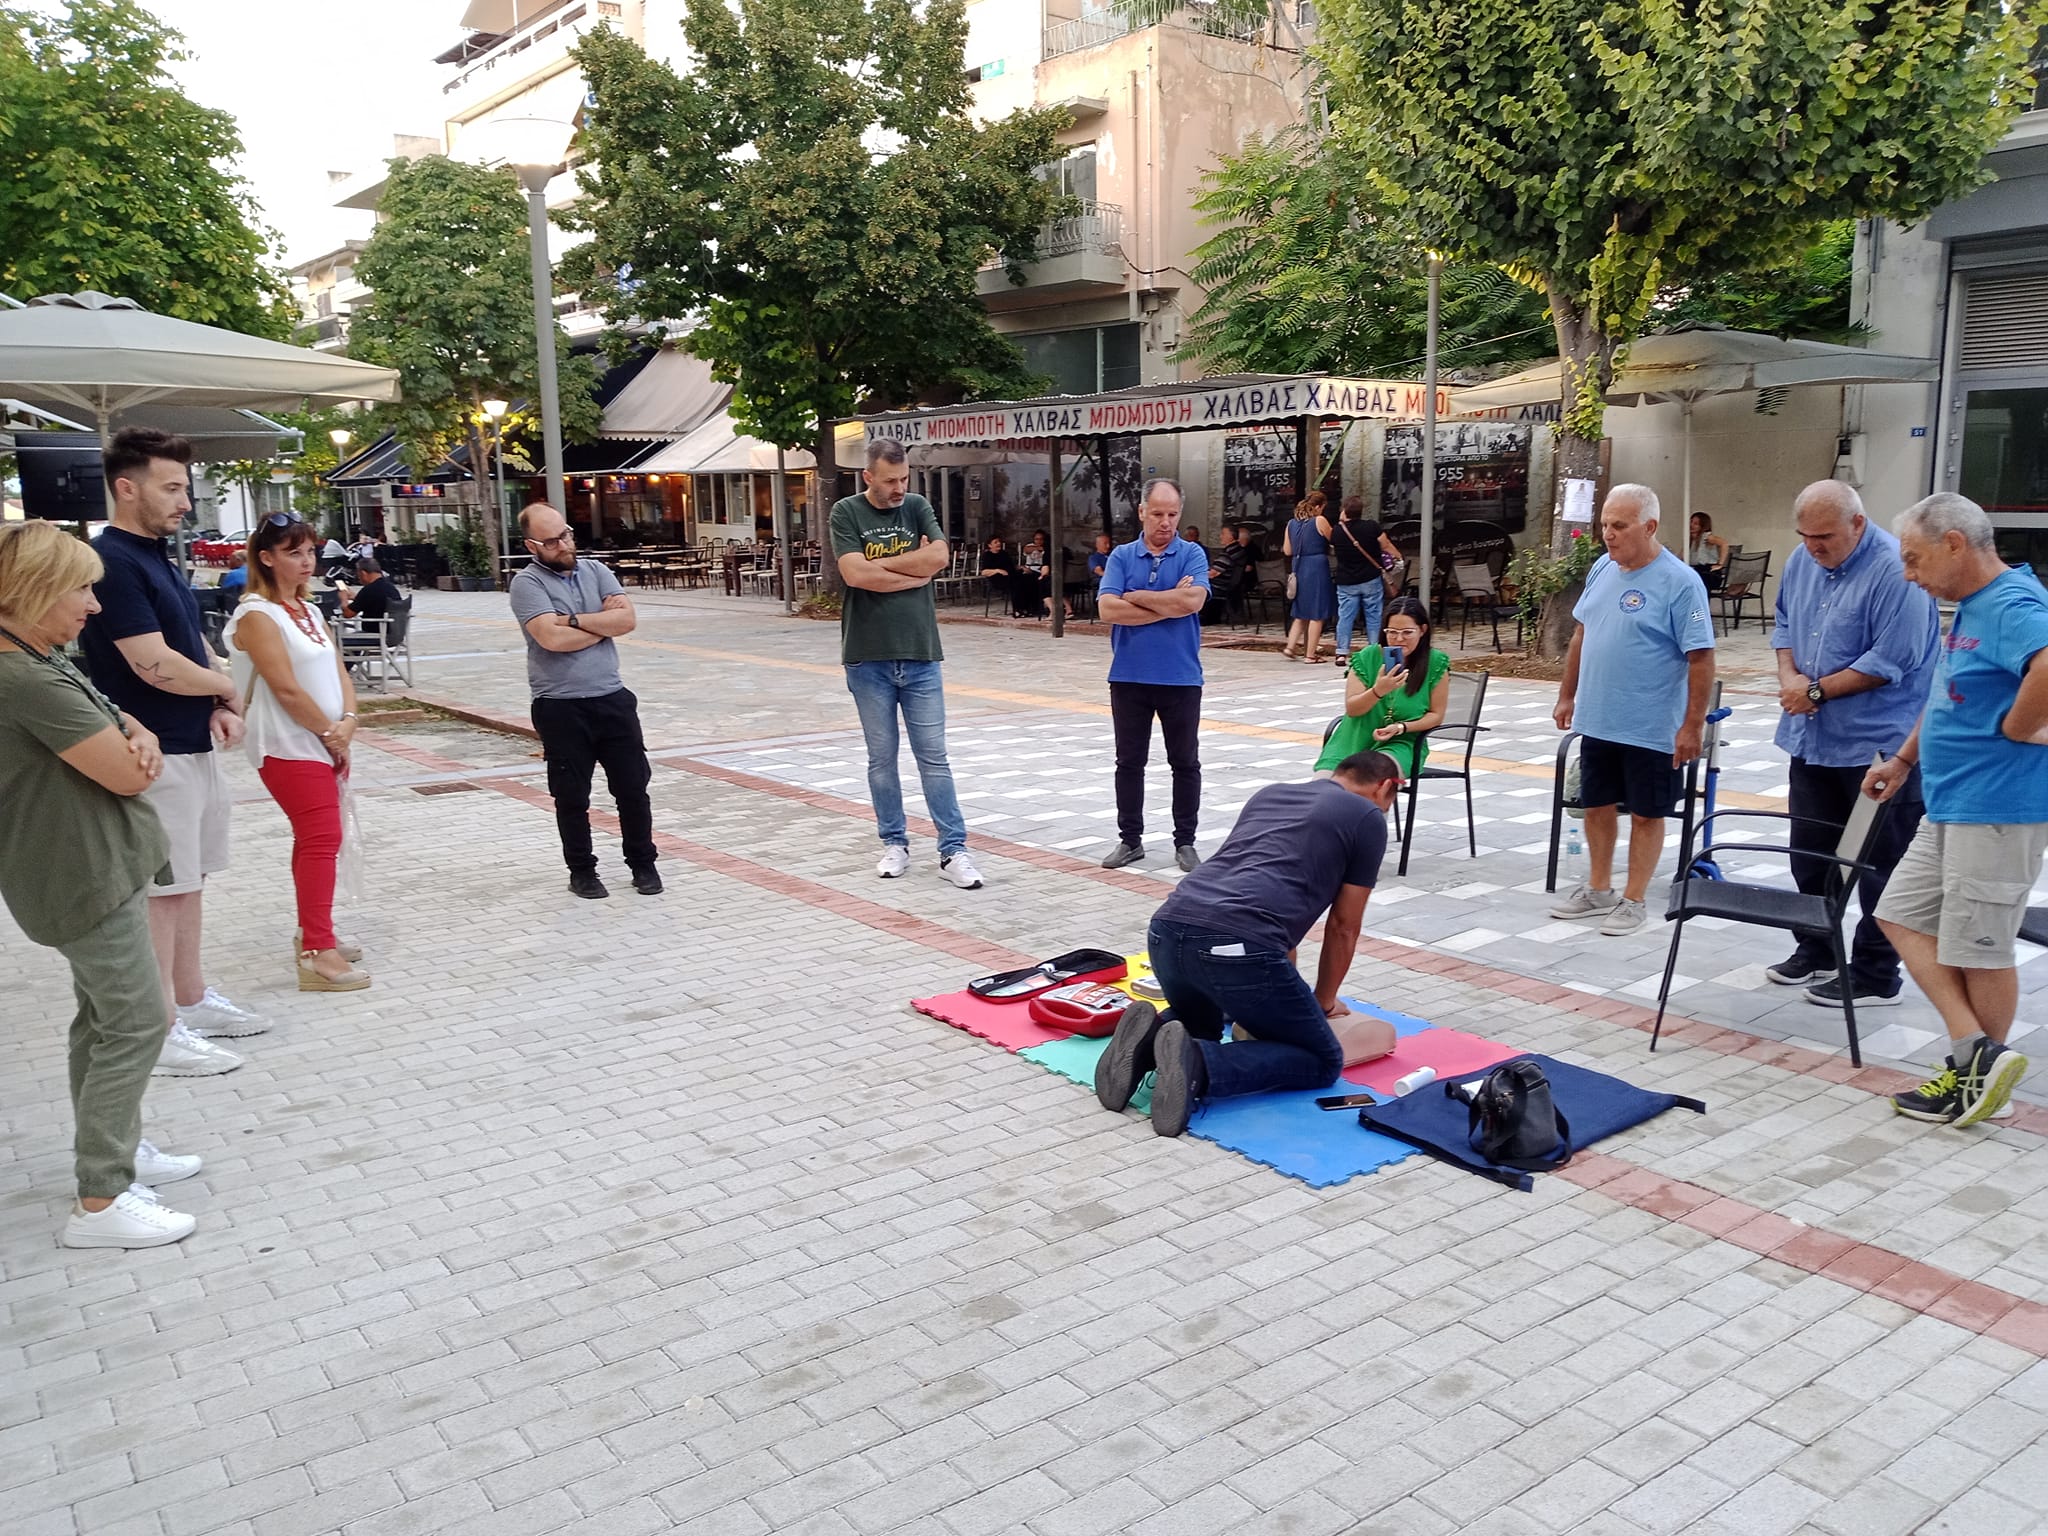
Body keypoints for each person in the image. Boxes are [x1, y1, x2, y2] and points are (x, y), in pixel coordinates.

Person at [0, 522, 204, 1248]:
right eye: (81, 589)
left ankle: (114, 1146)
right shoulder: (23, 676)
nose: (93, 604)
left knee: (100, 1019)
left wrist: (136, 732)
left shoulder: (38, 655)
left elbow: (121, 718)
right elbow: (125, 771)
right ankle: (102, 1195)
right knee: (136, 1022)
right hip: (81, 874)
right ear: (35, 590)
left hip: (94, 866)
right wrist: (136, 745)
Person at [1095, 751, 1405, 1136]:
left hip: (1167, 928)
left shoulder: (1271, 794)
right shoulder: (1367, 817)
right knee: (1321, 1059)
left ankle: (1148, 1041)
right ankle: (1199, 1064)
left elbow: (1259, 883)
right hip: (1237, 946)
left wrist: (1288, 1002)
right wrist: (1323, 1001)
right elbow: (1343, 926)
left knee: (1201, 1024)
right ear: (1385, 787)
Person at [81, 428, 261, 1077]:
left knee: (190, 879)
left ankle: (190, 996)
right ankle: (157, 1028)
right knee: (162, 890)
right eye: (173, 487)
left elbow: (189, 643)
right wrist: (230, 688)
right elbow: (151, 662)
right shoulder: (111, 561)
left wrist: (216, 701)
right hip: (151, 753)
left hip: (191, 744)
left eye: (186, 487)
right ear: (127, 488)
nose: (186, 501)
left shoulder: (158, 554)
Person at [1867, 493, 2048, 1128]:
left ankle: (1978, 1084)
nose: (1908, 574)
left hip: (1997, 807)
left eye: (1914, 559)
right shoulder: (1972, 605)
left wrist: (2021, 727)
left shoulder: (2012, 603)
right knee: (1898, 914)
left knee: (1980, 948)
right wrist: (1904, 760)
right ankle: (1979, 1054)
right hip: (1952, 802)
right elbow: (1949, 694)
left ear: (1953, 544)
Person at [1768, 481, 1939, 1007]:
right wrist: (1790, 678)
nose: (1813, 546)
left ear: (1858, 523)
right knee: (1810, 855)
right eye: (1805, 535)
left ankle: (1875, 974)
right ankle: (1817, 948)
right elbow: (1783, 625)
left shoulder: (1895, 570)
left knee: (1880, 865)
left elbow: (1892, 661)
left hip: (1880, 747)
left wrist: (1814, 690)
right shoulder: (1801, 560)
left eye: (1824, 536)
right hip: (1812, 740)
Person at [1550, 485, 1715, 936]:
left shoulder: (1681, 582)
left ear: (1649, 526)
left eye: (1619, 526)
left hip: (1651, 725)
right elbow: (1582, 634)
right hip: (1599, 718)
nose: (1608, 534)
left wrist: (1692, 726)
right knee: (1596, 805)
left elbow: (1701, 657)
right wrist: (1567, 695)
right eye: (1605, 524)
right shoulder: (1602, 567)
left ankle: (1634, 899)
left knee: (1647, 812)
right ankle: (1598, 888)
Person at [223, 513, 371, 991]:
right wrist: (330, 732)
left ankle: (314, 933)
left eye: (310, 551)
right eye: (294, 553)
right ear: (266, 558)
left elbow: (339, 671)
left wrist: (348, 721)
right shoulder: (256, 615)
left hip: (324, 738)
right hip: (286, 743)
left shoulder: (308, 610)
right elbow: (285, 688)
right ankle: (317, 952)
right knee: (322, 838)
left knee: (314, 840)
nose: (307, 561)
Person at [831, 439, 984, 889]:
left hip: (921, 655)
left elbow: (939, 556)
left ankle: (953, 850)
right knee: (882, 759)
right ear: (868, 477)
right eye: (890, 480)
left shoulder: (916, 506)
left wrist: (883, 570)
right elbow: (854, 574)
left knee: (934, 758)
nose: (900, 487)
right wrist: (914, 573)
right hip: (868, 657)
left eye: (904, 478)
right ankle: (894, 843)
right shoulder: (846, 512)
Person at [508, 503, 660, 899]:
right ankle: (582, 871)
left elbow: (627, 620)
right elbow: (551, 639)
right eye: (551, 541)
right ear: (531, 545)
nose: (563, 545)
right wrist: (601, 624)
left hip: (612, 697)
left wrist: (571, 619)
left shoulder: (596, 570)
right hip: (560, 704)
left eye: (566, 535)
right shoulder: (527, 584)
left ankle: (643, 864)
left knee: (633, 788)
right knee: (571, 795)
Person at [1096, 480, 1210, 872]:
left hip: (1181, 678)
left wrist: (1135, 595)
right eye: (1158, 513)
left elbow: (1192, 601)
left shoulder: (1192, 553)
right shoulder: (1122, 556)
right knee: (1129, 762)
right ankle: (1130, 840)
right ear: (1142, 512)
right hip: (1129, 677)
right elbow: (1108, 610)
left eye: (1173, 514)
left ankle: (1185, 842)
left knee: (1185, 762)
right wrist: (1168, 602)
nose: (1165, 522)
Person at [1315, 597, 1450, 778]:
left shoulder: (1435, 662)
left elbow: (1436, 716)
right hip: (1354, 738)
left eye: (1407, 632)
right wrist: (1378, 690)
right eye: (1392, 632)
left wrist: (1401, 727)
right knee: (1325, 784)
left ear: (1422, 630)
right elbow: (1353, 709)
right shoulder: (1366, 657)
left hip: (1401, 742)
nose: (1398, 639)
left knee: (1371, 777)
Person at [1330, 494, 1399, 664]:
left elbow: (1333, 547)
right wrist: (1398, 557)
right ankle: (1374, 651)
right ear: (1362, 511)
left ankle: (1341, 652)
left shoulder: (1337, 531)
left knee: (1345, 616)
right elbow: (1385, 545)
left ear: (1344, 510)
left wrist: (1342, 519)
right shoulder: (1372, 527)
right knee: (1373, 616)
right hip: (1370, 578)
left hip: (1346, 580)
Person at [1282, 490, 1336, 661]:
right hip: (1316, 567)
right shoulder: (1319, 520)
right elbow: (1334, 539)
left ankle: (1290, 647)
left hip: (1298, 567)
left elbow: (1287, 550)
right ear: (1319, 506)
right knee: (1317, 613)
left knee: (1301, 612)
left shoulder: (1291, 523)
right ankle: (1310, 655)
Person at [1688, 512, 1730, 592]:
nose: (1691, 525)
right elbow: (1681, 555)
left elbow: (1724, 544)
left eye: (1695, 524)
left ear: (1702, 526)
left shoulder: (1707, 537)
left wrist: (1720, 564)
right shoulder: (1691, 540)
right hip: (1697, 570)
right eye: (1691, 522)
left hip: (1709, 573)